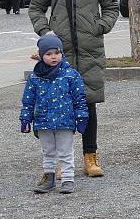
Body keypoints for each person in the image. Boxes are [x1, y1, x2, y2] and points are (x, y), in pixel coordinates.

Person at [29, 0, 119, 178]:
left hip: (90, 49)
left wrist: (99, 27)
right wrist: (45, 32)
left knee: (88, 104)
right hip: (59, 52)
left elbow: (111, 8)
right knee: (57, 106)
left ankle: (90, 156)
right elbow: (36, 8)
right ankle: (59, 161)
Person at [20, 35, 89, 194]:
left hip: (65, 121)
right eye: (49, 54)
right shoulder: (35, 77)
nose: (53, 57)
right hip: (43, 121)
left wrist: (82, 117)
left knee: (65, 151)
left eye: (57, 53)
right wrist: (25, 119)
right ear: (41, 55)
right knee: (48, 151)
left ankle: (68, 179)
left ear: (62, 54)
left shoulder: (71, 75)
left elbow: (79, 98)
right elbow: (28, 100)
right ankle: (48, 178)